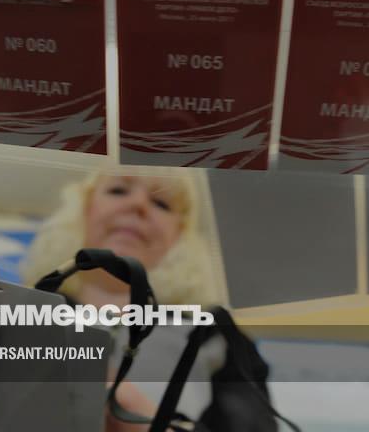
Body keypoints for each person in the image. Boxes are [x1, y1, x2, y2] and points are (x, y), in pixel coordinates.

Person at [21, 167, 225, 431]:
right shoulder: (19, 313)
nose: (138, 204)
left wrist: (140, 417)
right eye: (118, 190)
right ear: (84, 210)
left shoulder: (213, 335)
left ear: (179, 234)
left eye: (161, 203)